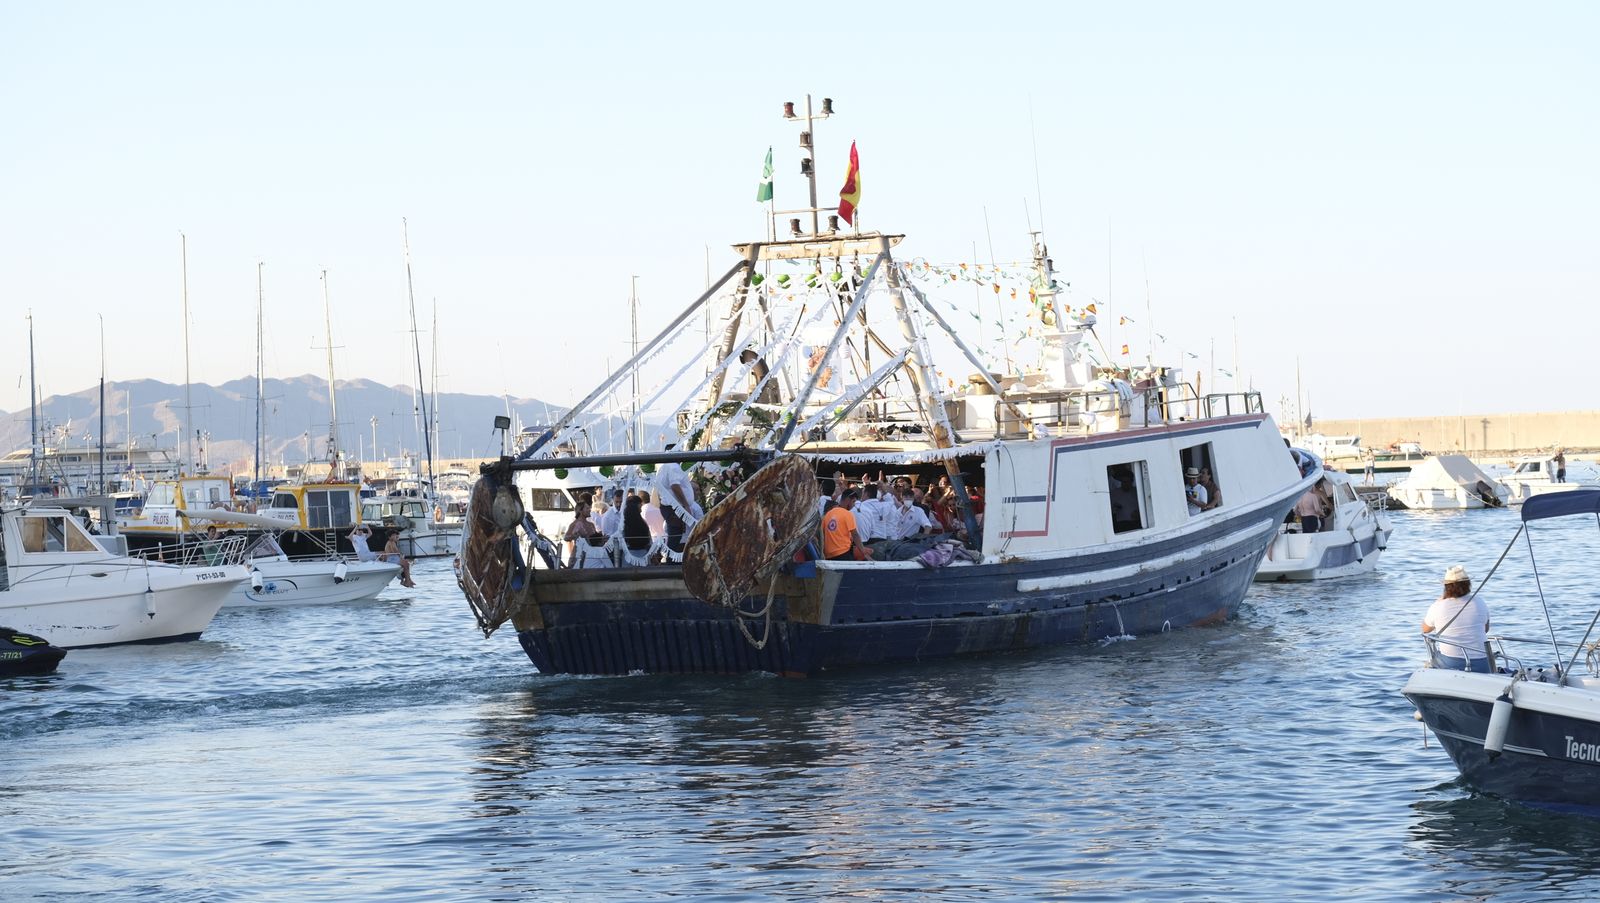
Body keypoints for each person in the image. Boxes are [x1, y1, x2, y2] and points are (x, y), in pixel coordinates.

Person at [1422, 565, 1491, 672]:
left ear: (1446, 587)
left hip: (1451, 663)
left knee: (1432, 658)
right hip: (1483, 663)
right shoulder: (1479, 602)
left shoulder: (1438, 606)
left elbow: (1425, 629)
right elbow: (1485, 629)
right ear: (1468, 584)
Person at [654, 450, 703, 555]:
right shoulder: (673, 467)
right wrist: (685, 505)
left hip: (668, 506)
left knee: (674, 535)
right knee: (675, 537)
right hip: (674, 507)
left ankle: (670, 560)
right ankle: (671, 562)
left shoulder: (662, 467)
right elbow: (675, 485)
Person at [822, 489, 870, 561]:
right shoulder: (847, 514)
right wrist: (863, 550)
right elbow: (855, 535)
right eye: (853, 502)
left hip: (828, 556)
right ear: (848, 500)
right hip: (843, 554)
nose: (854, 505)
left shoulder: (828, 514)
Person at [563, 496, 600, 567]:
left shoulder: (591, 524)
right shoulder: (576, 524)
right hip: (578, 557)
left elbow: (594, 540)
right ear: (580, 510)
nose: (589, 510)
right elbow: (566, 537)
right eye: (587, 508)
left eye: (589, 508)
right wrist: (575, 536)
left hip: (592, 557)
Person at [621, 494, 654, 565]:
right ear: (637, 506)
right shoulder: (642, 523)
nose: (641, 508)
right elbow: (649, 541)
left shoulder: (623, 523)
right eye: (640, 505)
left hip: (628, 556)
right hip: (643, 555)